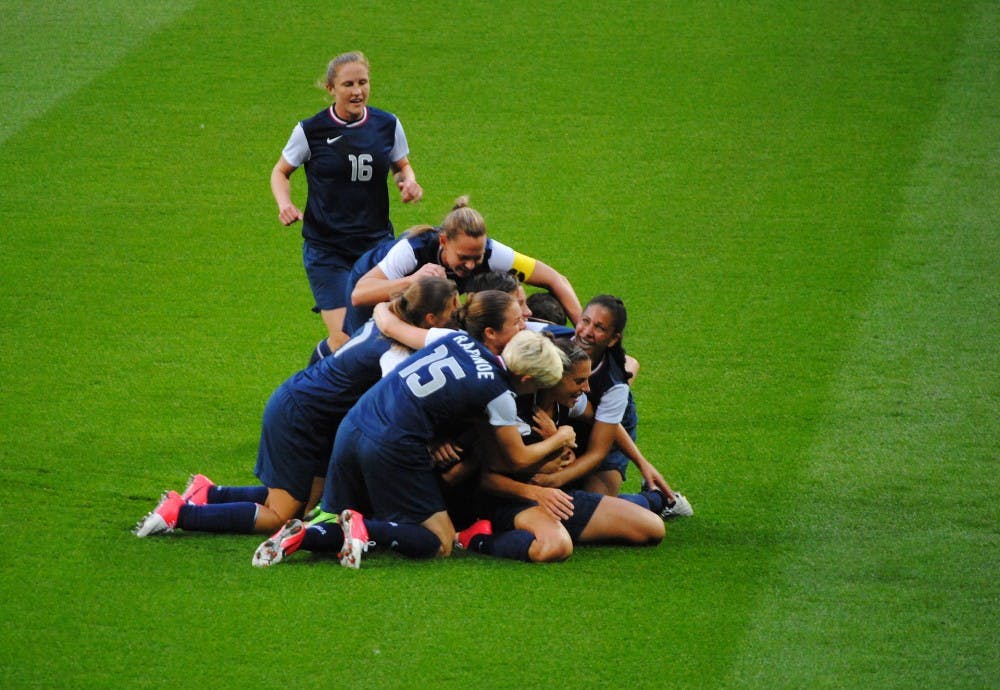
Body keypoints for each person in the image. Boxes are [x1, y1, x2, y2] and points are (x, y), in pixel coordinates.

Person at [252, 293, 576, 569]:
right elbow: (517, 459)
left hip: (353, 424)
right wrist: (560, 437)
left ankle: (304, 534)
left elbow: (400, 336)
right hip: (392, 444)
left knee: (336, 513)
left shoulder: (456, 338)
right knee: (440, 541)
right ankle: (365, 528)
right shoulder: (499, 394)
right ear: (526, 378)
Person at [133, 277, 458, 538]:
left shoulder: (389, 315)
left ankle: (209, 493)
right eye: (451, 311)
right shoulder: (397, 351)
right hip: (300, 416)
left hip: (310, 408)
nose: (455, 317)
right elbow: (398, 404)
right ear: (429, 318)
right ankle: (182, 514)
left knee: (304, 505)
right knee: (279, 516)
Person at [270, 51, 423, 361]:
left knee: (381, 332)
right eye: (348, 84)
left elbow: (401, 165)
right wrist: (284, 203)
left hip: (376, 246)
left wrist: (408, 182)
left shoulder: (386, 124)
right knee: (344, 340)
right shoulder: (311, 131)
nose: (357, 91)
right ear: (330, 88)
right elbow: (280, 171)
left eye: (363, 83)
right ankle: (313, 383)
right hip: (328, 249)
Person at [458, 339, 670, 562]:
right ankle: (476, 537)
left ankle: (655, 498)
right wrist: (557, 447)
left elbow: (606, 422)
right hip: (511, 501)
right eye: (580, 381)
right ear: (554, 378)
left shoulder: (566, 401)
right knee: (555, 546)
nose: (587, 388)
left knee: (652, 529)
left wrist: (642, 462)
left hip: (553, 496)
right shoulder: (511, 407)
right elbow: (487, 479)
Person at [339, 196, 581, 336]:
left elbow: (555, 279)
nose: (471, 264)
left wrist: (582, 332)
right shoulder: (413, 250)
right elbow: (360, 295)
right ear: (444, 241)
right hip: (376, 281)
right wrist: (412, 282)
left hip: (417, 301)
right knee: (366, 348)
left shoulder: (491, 253)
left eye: (477, 257)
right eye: (464, 257)